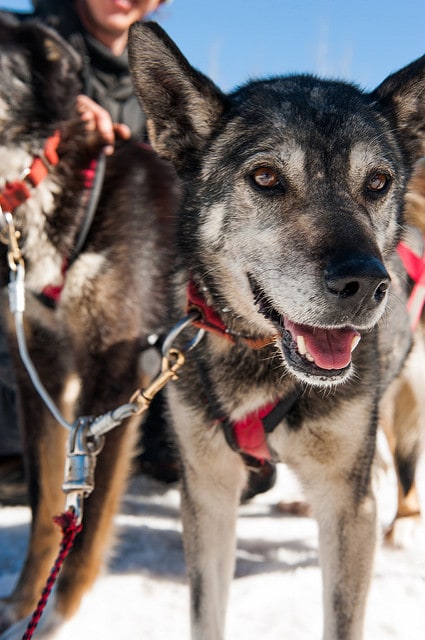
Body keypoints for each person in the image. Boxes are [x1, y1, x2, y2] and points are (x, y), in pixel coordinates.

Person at [0, 0, 179, 504]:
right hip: (29, 252)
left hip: (128, 283)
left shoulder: (156, 67)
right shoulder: (32, 41)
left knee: (233, 470)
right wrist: (66, 110)